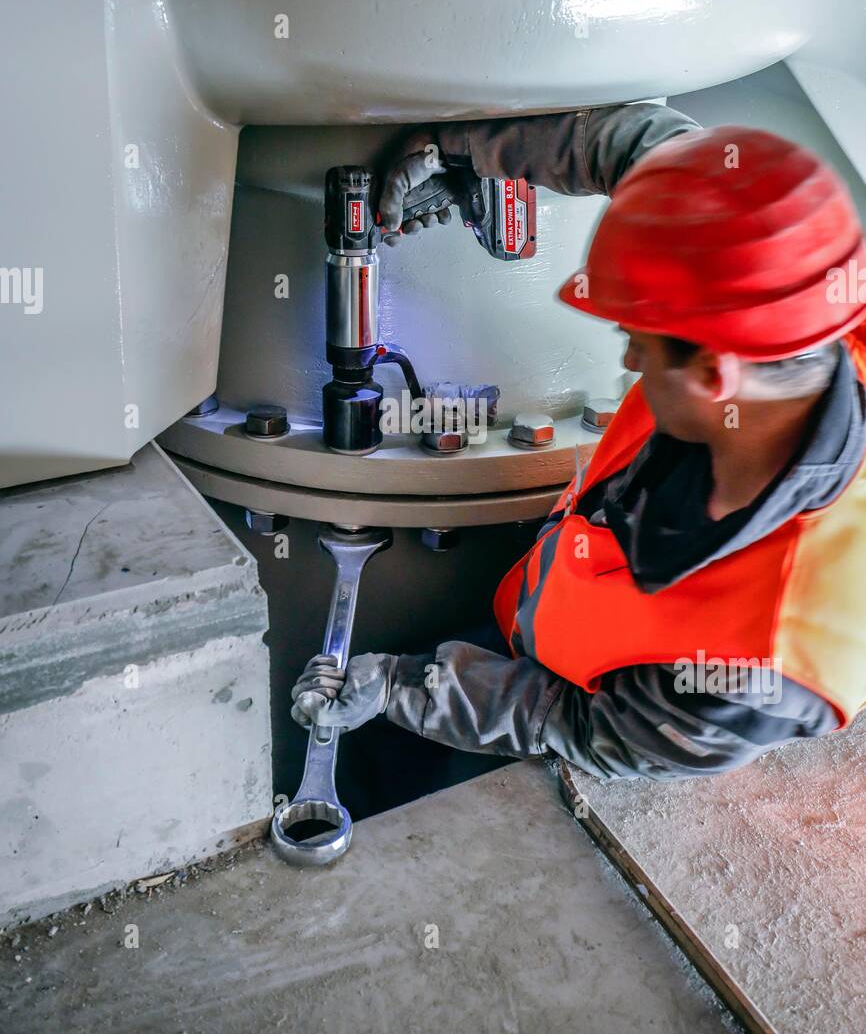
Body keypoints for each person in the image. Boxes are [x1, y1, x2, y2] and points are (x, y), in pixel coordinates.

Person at [291, 104, 866, 781]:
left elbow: (579, 723)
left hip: (575, 690)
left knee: (410, 771)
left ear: (714, 372)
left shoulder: (766, 662)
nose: (628, 362)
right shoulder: (799, 321)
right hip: (544, 607)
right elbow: (647, 152)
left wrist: (398, 688)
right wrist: (462, 152)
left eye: (640, 343)